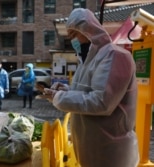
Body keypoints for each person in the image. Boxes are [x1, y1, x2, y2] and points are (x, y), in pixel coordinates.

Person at [43, 8, 139, 167]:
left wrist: (59, 98)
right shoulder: (85, 61)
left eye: (75, 34)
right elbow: (85, 93)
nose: (72, 40)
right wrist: (64, 91)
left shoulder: (115, 56)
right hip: (91, 148)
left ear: (89, 30)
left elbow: (101, 102)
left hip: (112, 151)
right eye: (70, 36)